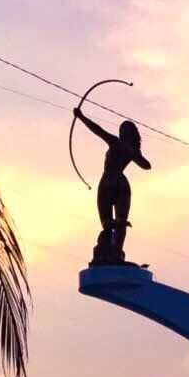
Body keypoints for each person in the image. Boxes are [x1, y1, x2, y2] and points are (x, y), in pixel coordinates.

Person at [73, 106, 151, 263]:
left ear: (123, 134)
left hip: (108, 181)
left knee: (106, 223)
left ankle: (112, 252)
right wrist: (133, 152)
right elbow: (146, 165)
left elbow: (98, 130)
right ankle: (115, 253)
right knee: (120, 222)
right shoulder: (131, 150)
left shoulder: (116, 143)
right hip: (122, 183)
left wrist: (81, 117)